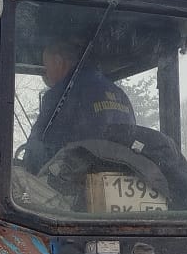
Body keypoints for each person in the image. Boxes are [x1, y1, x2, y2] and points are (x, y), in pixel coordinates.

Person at [21, 37, 136, 172]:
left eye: (46, 68)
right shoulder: (120, 94)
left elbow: (40, 145)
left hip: (76, 179)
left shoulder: (61, 93)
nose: (45, 74)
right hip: (120, 173)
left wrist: (28, 164)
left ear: (58, 61)